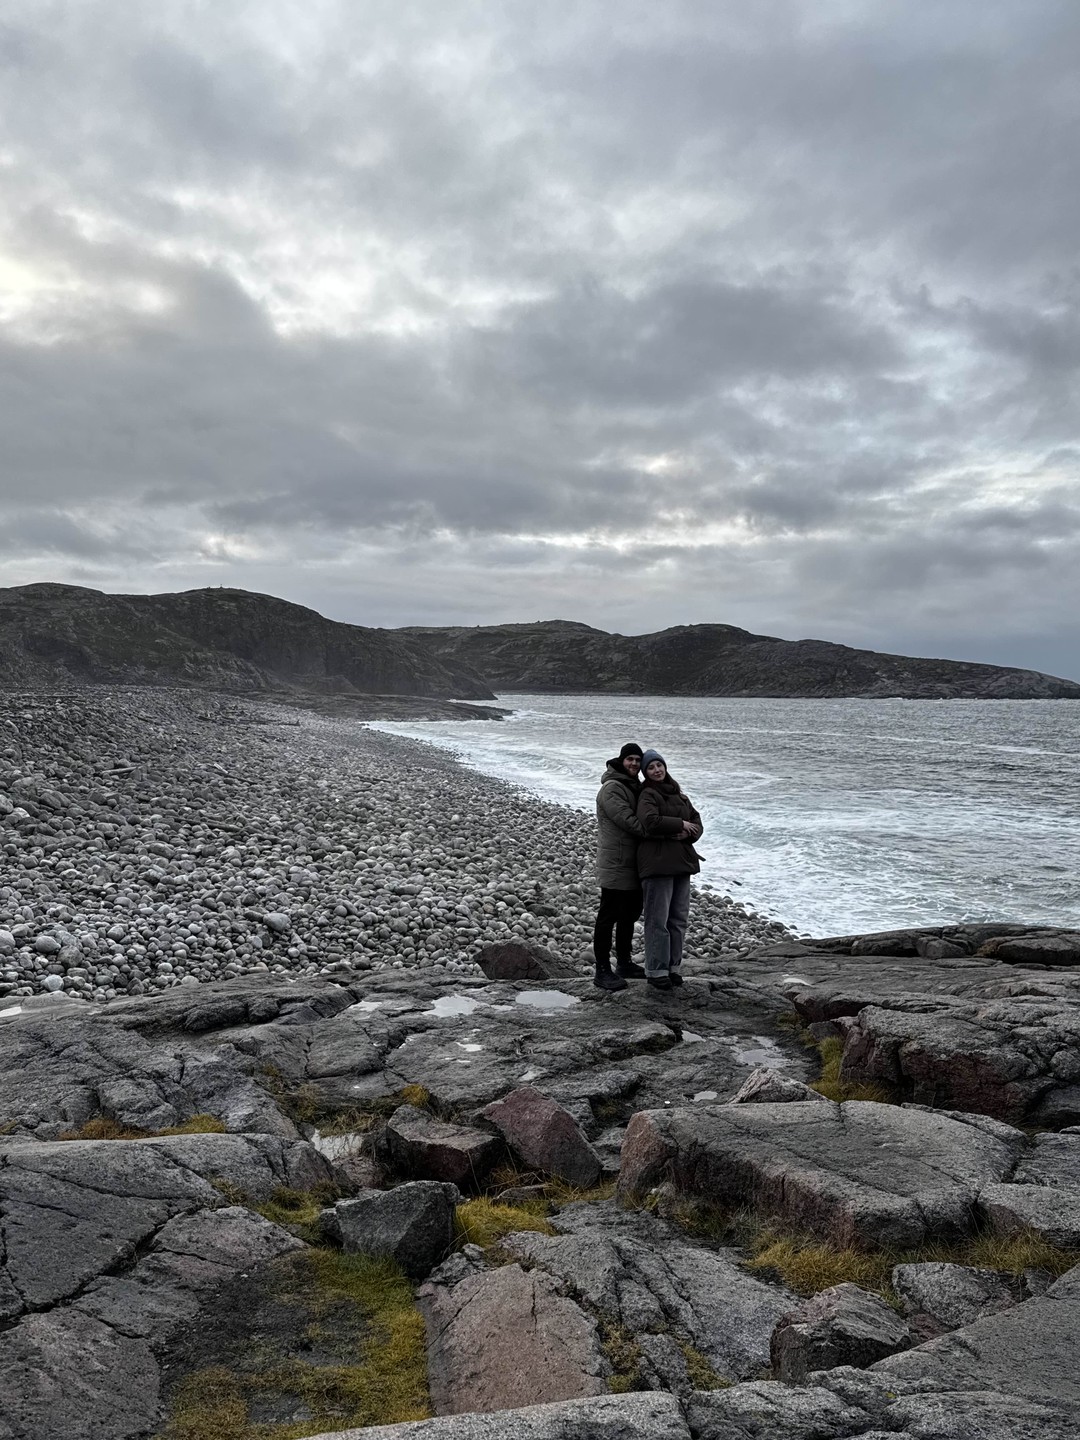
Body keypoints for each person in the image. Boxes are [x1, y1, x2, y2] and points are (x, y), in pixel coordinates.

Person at [636, 748, 703, 991]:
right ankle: (656, 970)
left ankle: (674, 967)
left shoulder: (680, 795)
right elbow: (650, 821)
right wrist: (680, 824)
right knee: (658, 920)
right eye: (651, 767)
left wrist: (688, 831)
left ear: (665, 767)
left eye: (659, 765)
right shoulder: (647, 795)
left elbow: (697, 822)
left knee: (678, 919)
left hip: (682, 864)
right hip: (657, 865)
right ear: (646, 772)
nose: (657, 770)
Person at [592, 742, 648, 991]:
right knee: (608, 916)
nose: (634, 764)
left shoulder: (634, 786)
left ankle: (624, 962)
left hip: (633, 862)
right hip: (615, 862)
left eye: (638, 760)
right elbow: (630, 822)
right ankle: (602, 970)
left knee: (630, 914)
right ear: (621, 760)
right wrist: (665, 830)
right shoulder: (612, 788)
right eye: (630, 760)